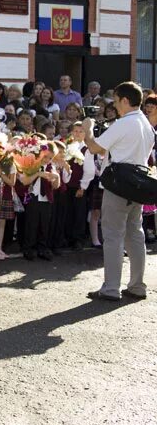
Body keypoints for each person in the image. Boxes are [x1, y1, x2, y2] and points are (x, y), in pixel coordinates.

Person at [83, 81, 153, 301]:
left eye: (116, 101)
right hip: (138, 184)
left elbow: (95, 147)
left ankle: (111, 288)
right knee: (135, 235)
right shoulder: (146, 124)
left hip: (118, 183)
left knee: (113, 236)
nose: (115, 106)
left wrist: (87, 129)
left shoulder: (124, 123)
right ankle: (137, 285)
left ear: (124, 100)